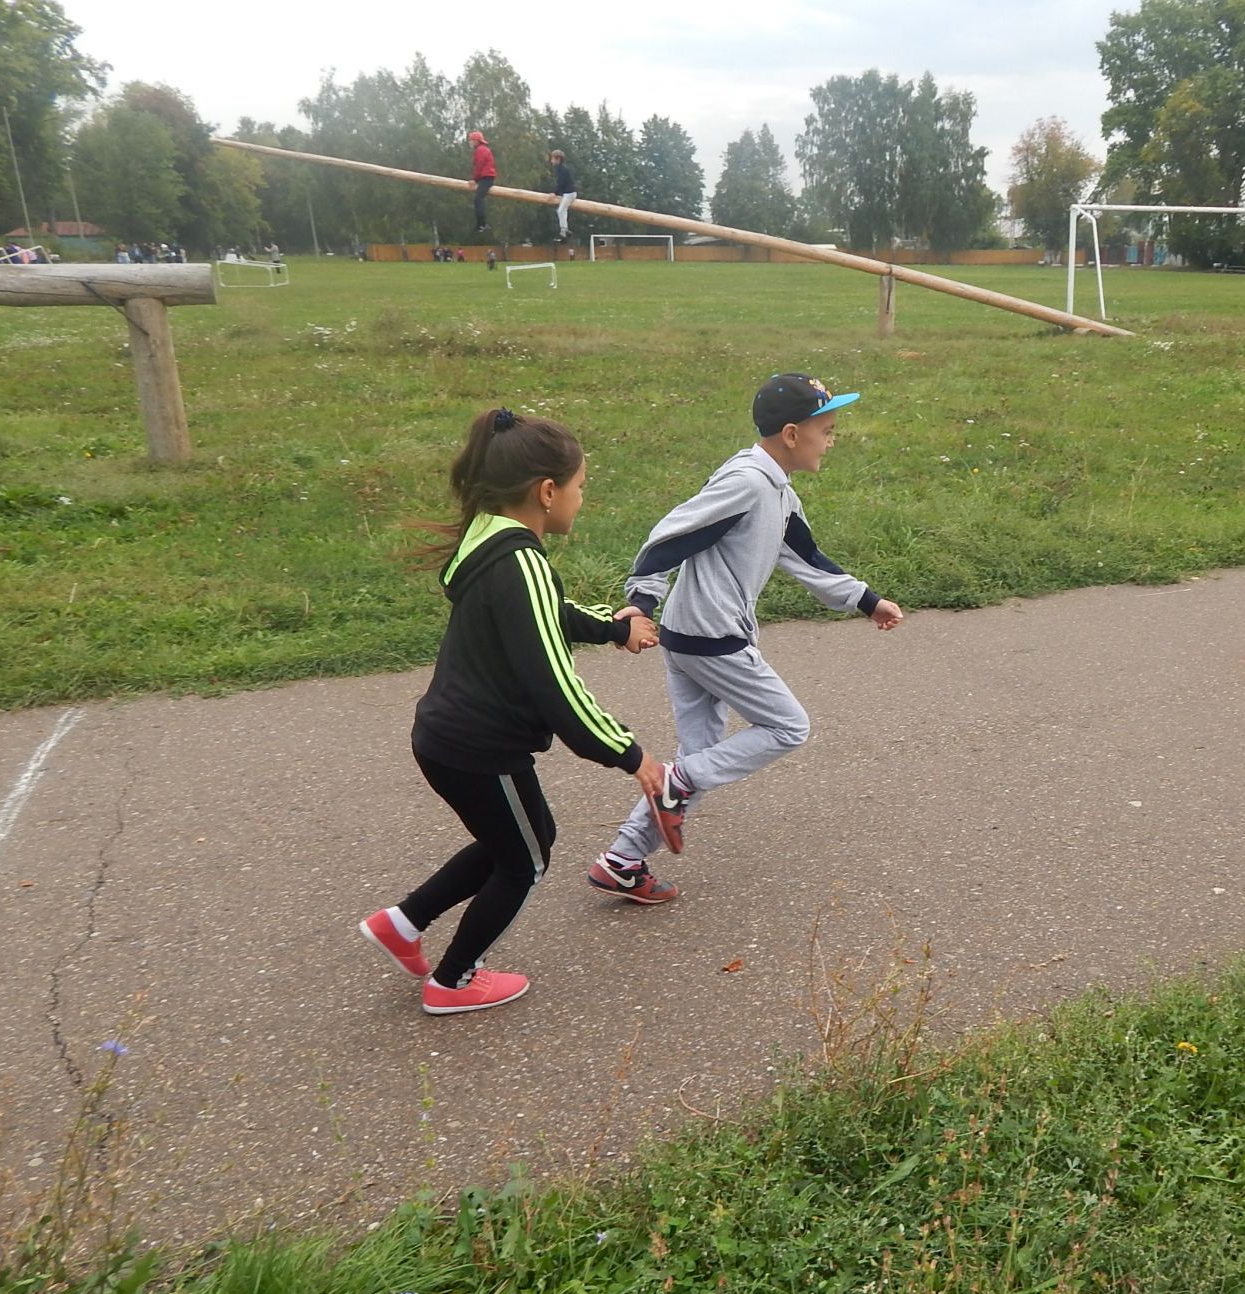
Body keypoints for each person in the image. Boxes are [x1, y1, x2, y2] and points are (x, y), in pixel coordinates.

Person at [360, 407, 678, 1014]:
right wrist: (631, 754)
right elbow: (554, 685)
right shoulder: (520, 563)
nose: (583, 499)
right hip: (480, 749)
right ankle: (452, 982)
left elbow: (547, 611)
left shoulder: (491, 540)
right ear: (548, 491)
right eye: (581, 486)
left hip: (447, 738)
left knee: (516, 842)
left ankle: (403, 923)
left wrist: (613, 629)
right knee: (527, 858)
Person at [587, 374, 904, 905]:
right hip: (713, 638)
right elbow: (671, 533)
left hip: (691, 637)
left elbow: (805, 555)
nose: (832, 439)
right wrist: (641, 600)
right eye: (826, 430)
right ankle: (674, 779)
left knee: (704, 754)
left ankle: (623, 860)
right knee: (787, 727)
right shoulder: (748, 483)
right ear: (790, 434)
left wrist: (866, 600)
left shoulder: (775, 488)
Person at [469, 130, 496, 233]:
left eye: (471, 140)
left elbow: (479, 166)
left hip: (486, 178)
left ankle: (482, 224)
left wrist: (475, 179)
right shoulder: (483, 149)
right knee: (478, 199)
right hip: (486, 177)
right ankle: (481, 224)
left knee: (478, 199)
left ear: (476, 141)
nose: (470, 142)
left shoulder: (480, 150)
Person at [549, 149, 578, 242]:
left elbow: (561, 183)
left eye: (552, 159)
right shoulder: (560, 169)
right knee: (562, 210)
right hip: (566, 193)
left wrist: (555, 193)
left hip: (569, 194)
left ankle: (564, 231)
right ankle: (566, 230)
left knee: (561, 210)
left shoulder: (563, 170)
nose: (551, 161)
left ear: (558, 159)